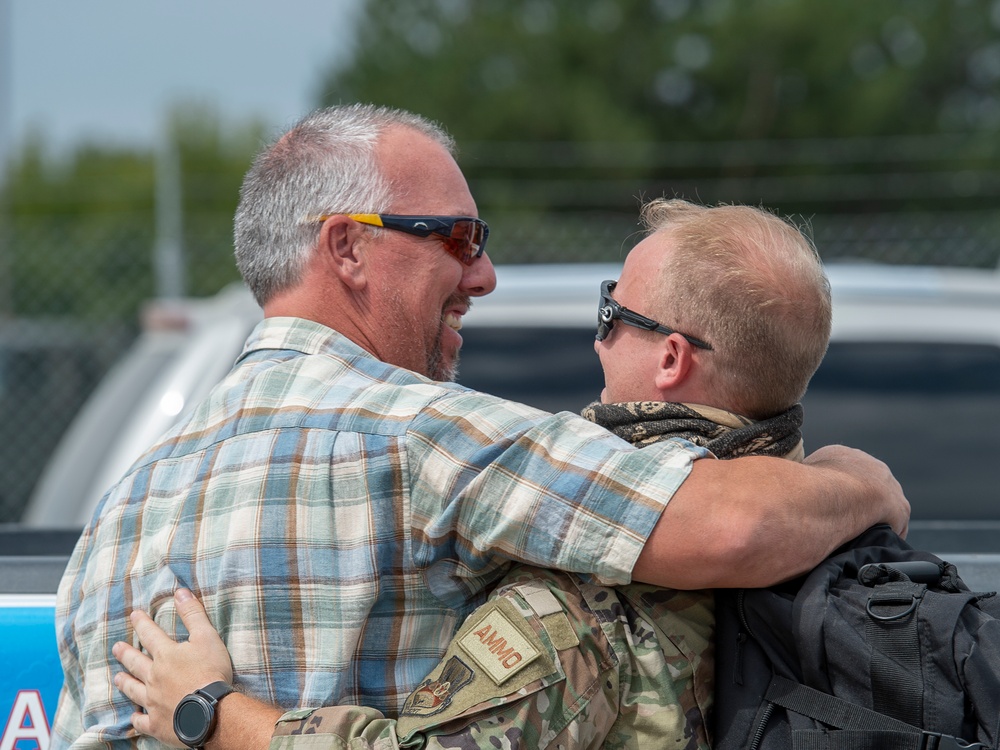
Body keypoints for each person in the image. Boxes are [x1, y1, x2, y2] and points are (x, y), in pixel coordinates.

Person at [53, 103, 907, 749]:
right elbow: (734, 525)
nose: (486, 275)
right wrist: (864, 484)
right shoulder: (434, 438)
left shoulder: (118, 515)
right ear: (347, 248)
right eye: (457, 239)